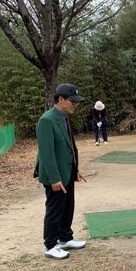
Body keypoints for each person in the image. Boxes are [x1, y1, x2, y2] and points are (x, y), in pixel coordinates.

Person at [34, 83, 88, 260]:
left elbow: (69, 146)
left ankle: (65, 238)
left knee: (68, 207)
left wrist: (75, 169)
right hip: (55, 176)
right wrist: (54, 178)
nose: (75, 105)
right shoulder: (47, 120)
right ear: (61, 99)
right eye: (73, 101)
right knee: (55, 209)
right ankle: (50, 245)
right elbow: (46, 153)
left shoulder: (63, 117)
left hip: (67, 172)